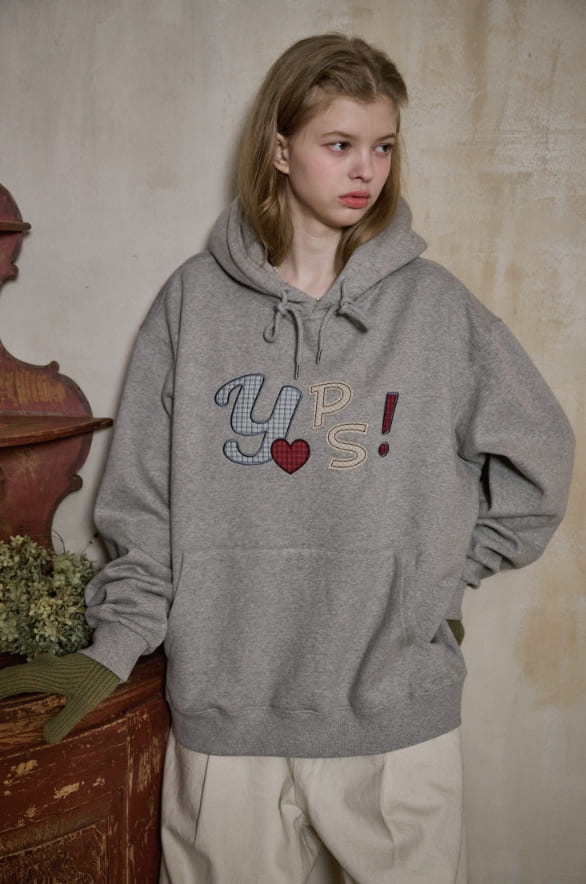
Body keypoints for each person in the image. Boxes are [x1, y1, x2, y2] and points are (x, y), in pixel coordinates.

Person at [0, 34, 574, 884]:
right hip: (226, 716)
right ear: (279, 148)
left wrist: (436, 578)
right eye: (339, 144)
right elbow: (142, 504)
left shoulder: (435, 310)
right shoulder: (193, 303)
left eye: (383, 146)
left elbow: (540, 460)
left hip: (393, 717)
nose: (366, 170)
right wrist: (116, 644)